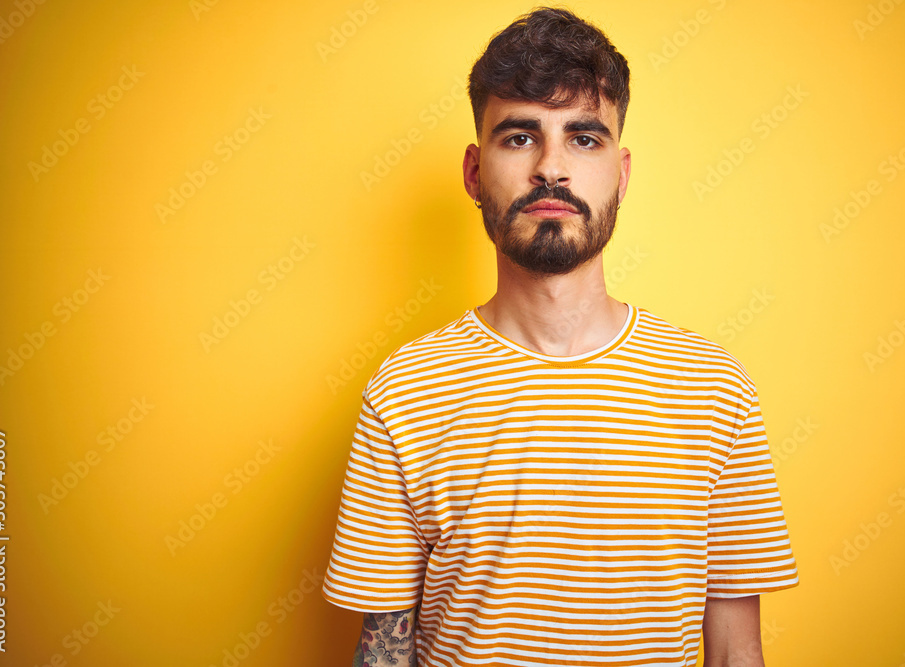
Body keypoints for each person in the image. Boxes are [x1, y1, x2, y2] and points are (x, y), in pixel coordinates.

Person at [322, 6, 798, 666]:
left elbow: (736, 650)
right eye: (519, 137)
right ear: (472, 171)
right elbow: (383, 650)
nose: (552, 168)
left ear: (622, 174)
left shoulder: (717, 389)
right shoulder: (404, 391)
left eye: (584, 138)